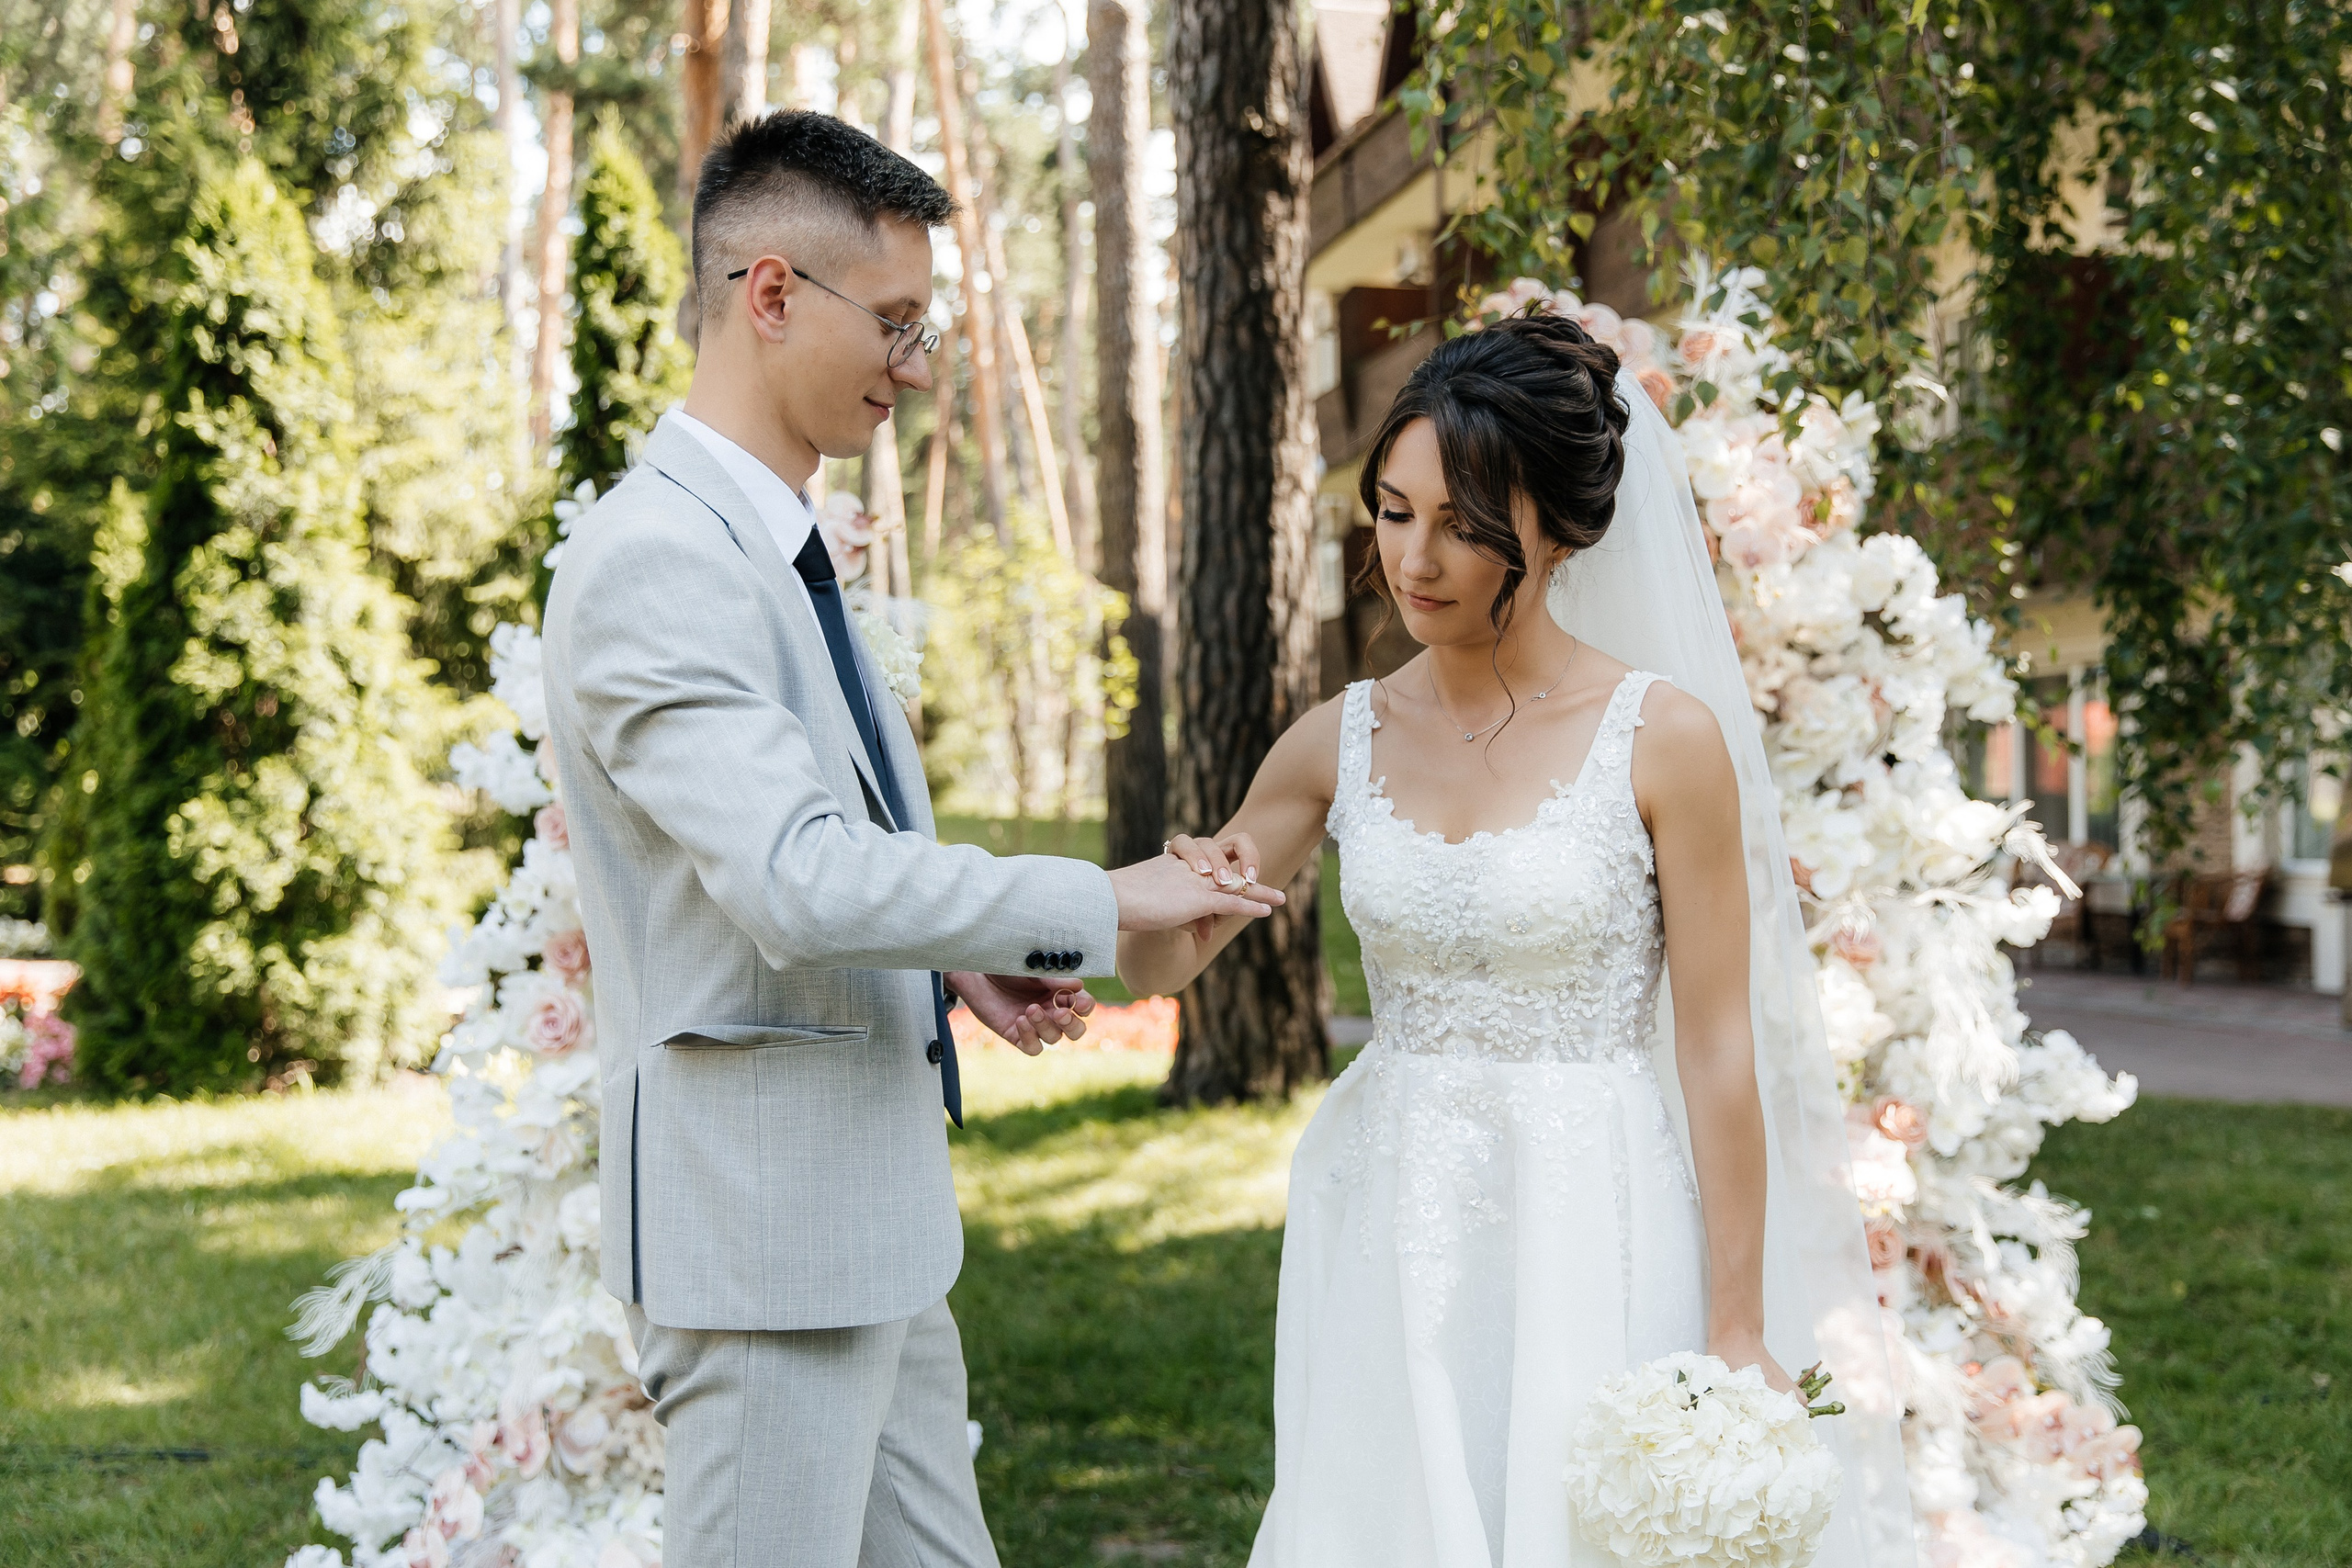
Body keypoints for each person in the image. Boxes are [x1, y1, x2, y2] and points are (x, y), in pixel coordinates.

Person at [540, 110, 1282, 1568]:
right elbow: (797, 878)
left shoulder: (782, 548)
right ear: (767, 295)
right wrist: (1110, 898)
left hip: (868, 1235)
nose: (917, 363)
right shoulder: (660, 563)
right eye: (892, 321)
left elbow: (817, 843)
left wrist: (958, 970)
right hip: (760, 1258)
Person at [1119, 311, 1914, 1566]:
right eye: (1393, 513)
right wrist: (1178, 885)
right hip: (1392, 1209)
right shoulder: (1340, 739)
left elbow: (1715, 1049)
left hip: (1593, 1206)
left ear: (1551, 525)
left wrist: (1739, 1323)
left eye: (1464, 525)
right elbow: (1164, 963)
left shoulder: (1663, 739)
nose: (1414, 559)